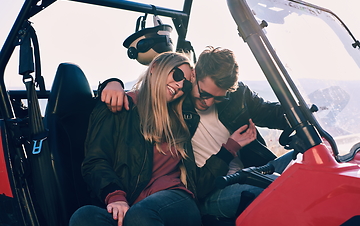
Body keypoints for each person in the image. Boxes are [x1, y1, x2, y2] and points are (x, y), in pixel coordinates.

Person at [98, 46, 292, 223]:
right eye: (205, 94)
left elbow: (268, 112)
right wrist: (111, 83)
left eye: (218, 97)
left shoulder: (235, 96)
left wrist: (300, 117)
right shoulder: (177, 105)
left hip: (253, 172)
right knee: (269, 193)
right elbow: (149, 91)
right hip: (213, 187)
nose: (208, 102)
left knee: (304, 159)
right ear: (193, 74)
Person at [69, 51, 258, 226]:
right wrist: (115, 197)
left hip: (175, 199)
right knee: (84, 217)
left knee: (141, 214)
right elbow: (95, 161)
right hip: (131, 203)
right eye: (177, 76)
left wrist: (230, 149)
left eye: (185, 84)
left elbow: (213, 84)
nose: (179, 85)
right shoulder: (119, 108)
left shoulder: (183, 117)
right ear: (155, 67)